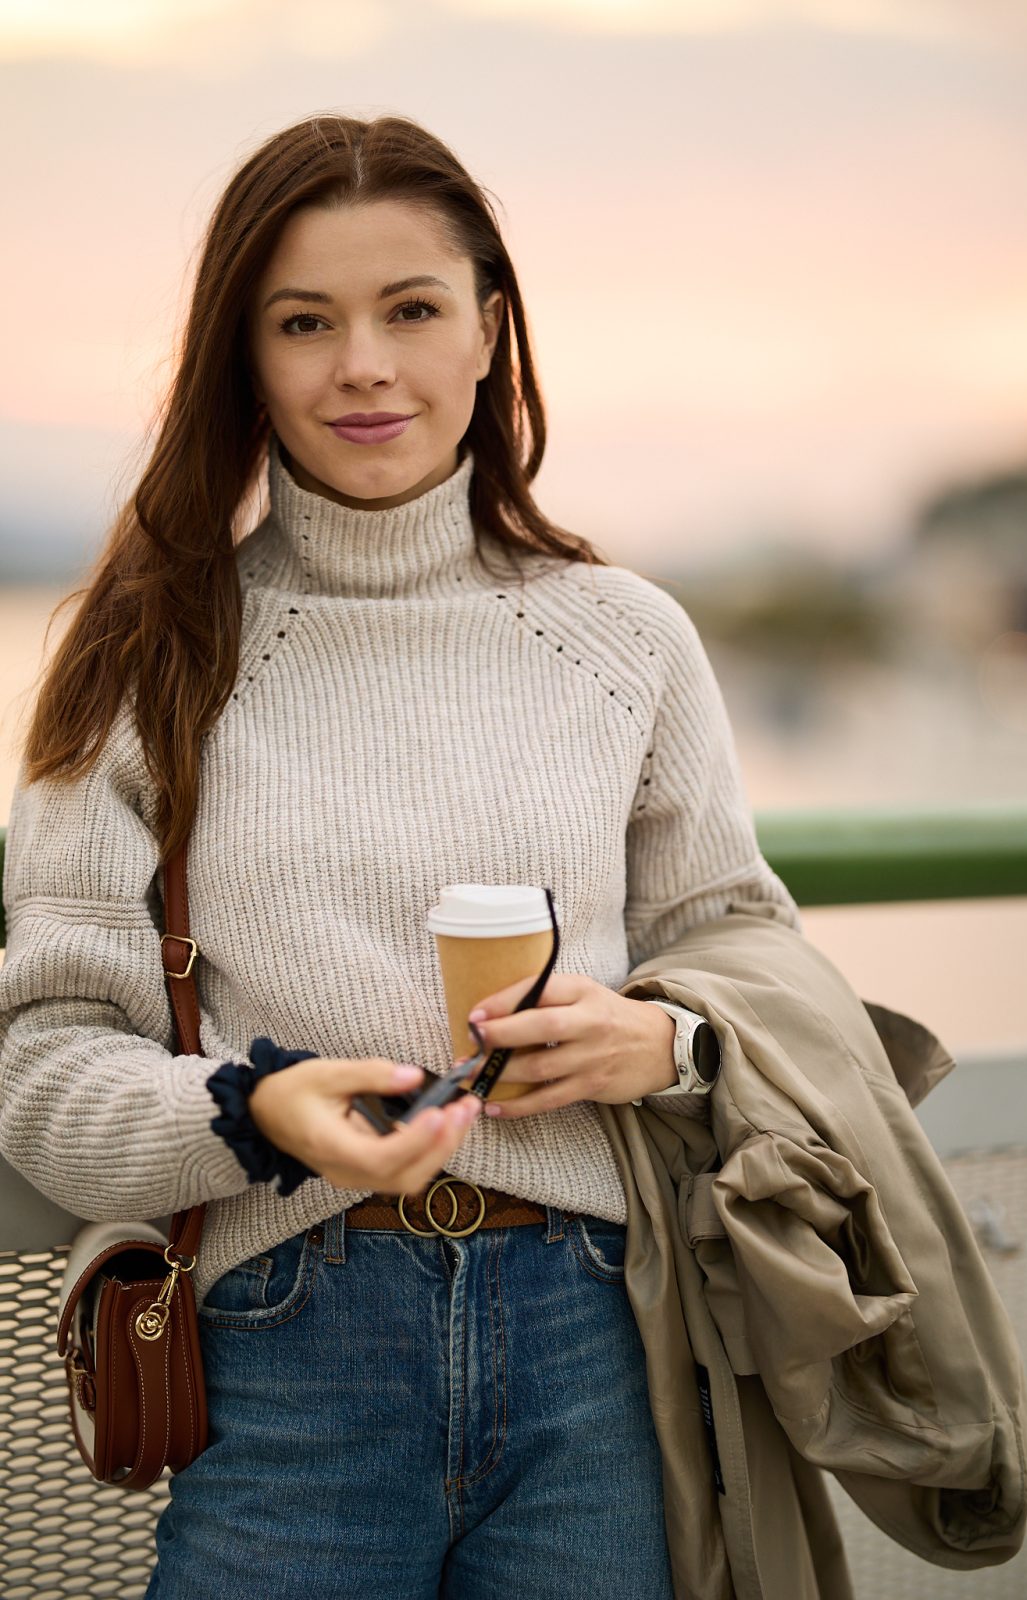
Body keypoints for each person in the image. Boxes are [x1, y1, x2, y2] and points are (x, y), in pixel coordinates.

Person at [0, 113, 801, 1599]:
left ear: (490, 331)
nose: (363, 365)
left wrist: (663, 1040)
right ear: (243, 358)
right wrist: (253, 1110)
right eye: (304, 322)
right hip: (288, 1341)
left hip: (602, 1339)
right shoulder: (143, 658)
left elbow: (752, 963)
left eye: (413, 310)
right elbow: (42, 1071)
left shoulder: (628, 638)